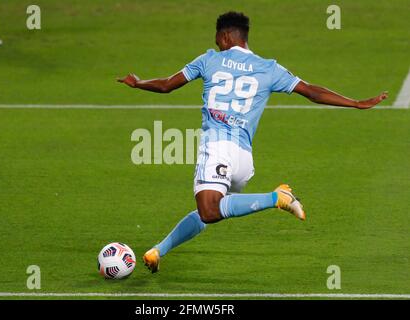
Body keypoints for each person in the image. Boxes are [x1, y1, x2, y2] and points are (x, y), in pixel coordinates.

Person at [117, 11, 388, 273]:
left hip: (217, 147)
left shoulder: (209, 60)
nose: (215, 43)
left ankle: (277, 197)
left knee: (209, 209)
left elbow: (166, 85)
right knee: (213, 210)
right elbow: (312, 91)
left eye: (216, 38)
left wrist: (138, 83)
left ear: (224, 37)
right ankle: (158, 250)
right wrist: (355, 103)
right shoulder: (268, 68)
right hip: (243, 159)